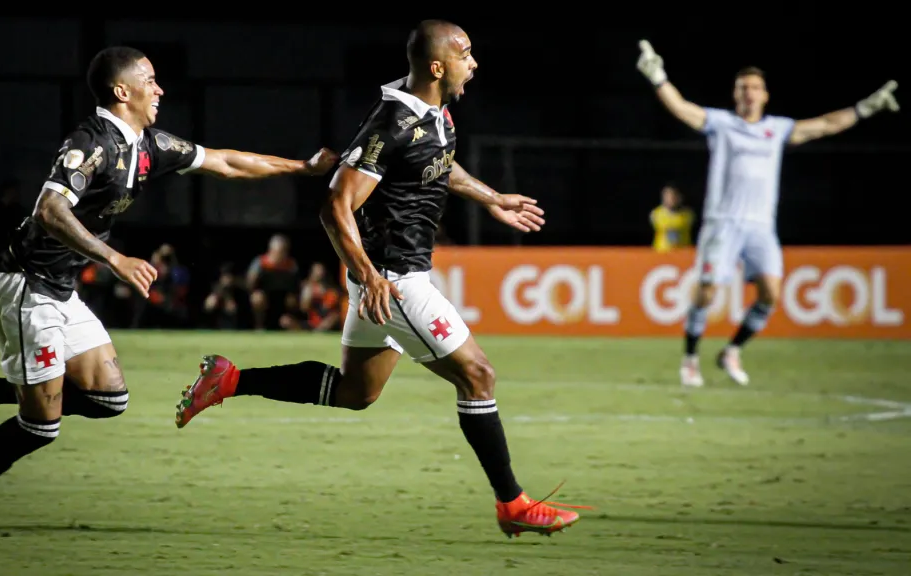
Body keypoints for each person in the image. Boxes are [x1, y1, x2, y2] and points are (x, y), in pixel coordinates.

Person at [175, 20, 590, 538]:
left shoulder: (433, 114)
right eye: (466, 54)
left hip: (385, 278)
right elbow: (335, 206)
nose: (475, 62)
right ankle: (514, 503)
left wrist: (494, 199)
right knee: (478, 376)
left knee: (355, 392)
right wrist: (371, 276)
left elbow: (439, 163)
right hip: (394, 281)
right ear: (437, 67)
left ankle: (231, 380)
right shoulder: (390, 124)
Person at [0, 45, 339, 535]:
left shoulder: (147, 145)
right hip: (26, 289)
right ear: (123, 91)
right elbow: (50, 210)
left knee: (107, 399)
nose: (159, 89)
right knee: (41, 425)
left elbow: (224, 162)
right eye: (150, 80)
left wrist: (302, 168)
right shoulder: (91, 142)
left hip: (58, 292)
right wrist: (113, 258)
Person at [635, 40, 899, 388]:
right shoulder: (722, 123)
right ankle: (690, 358)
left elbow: (824, 125)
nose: (749, 92)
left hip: (760, 227)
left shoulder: (778, 130)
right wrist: (658, 78)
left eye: (755, 87)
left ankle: (732, 350)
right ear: (735, 94)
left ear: (765, 95)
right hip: (723, 223)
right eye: (743, 87)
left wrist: (865, 108)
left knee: (771, 294)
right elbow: (683, 109)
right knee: (708, 290)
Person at [649, 182, 694, 253]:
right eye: (667, 195)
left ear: (679, 197)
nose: (670, 198)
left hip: (683, 253)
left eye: (673, 195)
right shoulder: (656, 214)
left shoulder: (688, 214)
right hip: (661, 253)